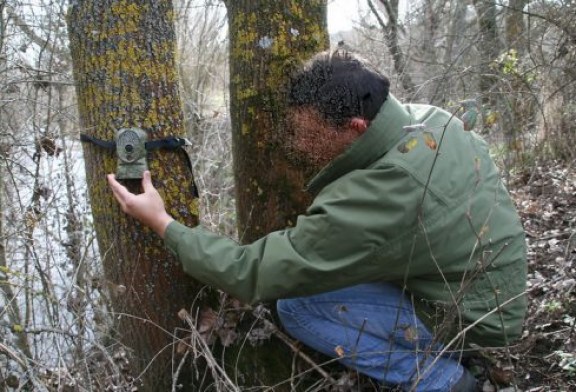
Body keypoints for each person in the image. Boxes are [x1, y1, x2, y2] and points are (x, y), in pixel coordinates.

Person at [107, 50, 527, 391]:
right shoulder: (429, 119)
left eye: (311, 134)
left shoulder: (380, 194)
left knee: (298, 306)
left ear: (356, 126)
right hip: (484, 290)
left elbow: (252, 272)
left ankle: (443, 380)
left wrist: (164, 224)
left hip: (474, 316)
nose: (301, 144)